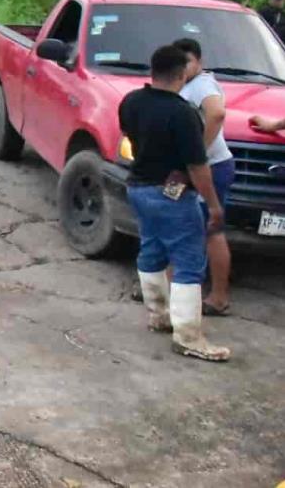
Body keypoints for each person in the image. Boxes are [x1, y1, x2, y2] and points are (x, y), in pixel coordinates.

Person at [119, 45, 230, 362]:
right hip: (172, 195)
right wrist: (213, 205)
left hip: (138, 188)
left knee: (152, 248)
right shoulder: (183, 113)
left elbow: (130, 135)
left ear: (152, 71)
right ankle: (188, 337)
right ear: (183, 74)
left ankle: (158, 315)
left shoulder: (131, 102)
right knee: (189, 260)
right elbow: (198, 167)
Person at [173, 38, 235, 316]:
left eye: (188, 62)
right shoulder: (185, 85)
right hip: (189, 169)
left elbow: (217, 114)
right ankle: (169, 284)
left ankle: (219, 297)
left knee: (211, 230)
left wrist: (198, 150)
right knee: (177, 222)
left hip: (210, 168)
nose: (184, 67)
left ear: (200, 62)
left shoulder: (203, 84)